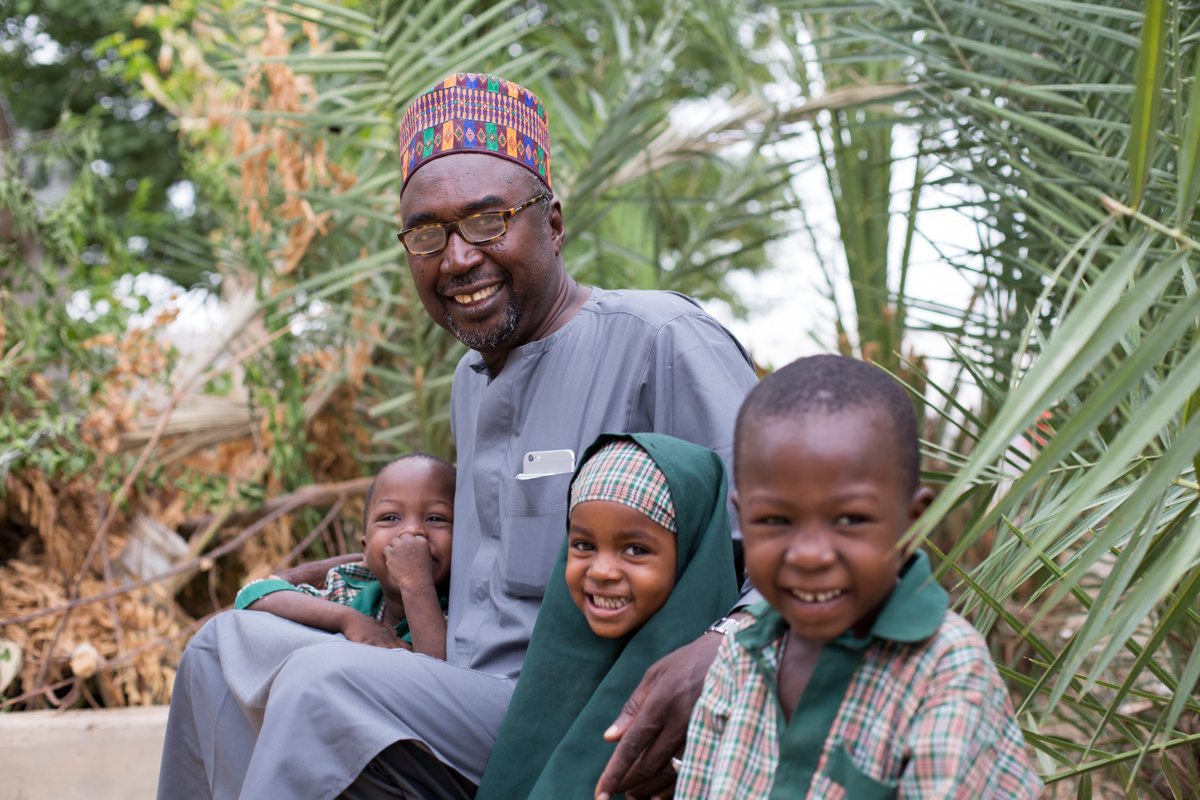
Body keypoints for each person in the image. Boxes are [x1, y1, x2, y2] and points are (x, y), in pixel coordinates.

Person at [157, 72, 759, 800]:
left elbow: (781, 536)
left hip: (568, 710)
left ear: (554, 225)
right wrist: (366, 575)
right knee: (220, 646)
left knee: (322, 683)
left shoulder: (660, 338)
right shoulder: (469, 381)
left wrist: (723, 648)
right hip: (454, 685)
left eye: (488, 221)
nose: (458, 258)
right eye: (427, 233)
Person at [674, 355, 1043, 799]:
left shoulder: (944, 668)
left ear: (913, 524)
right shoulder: (742, 652)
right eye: (774, 520)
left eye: (849, 519)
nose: (809, 555)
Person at [477, 433, 739, 800]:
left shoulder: (729, 694)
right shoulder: (551, 675)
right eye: (584, 545)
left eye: (636, 550)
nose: (601, 571)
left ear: (691, 555)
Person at [233, 454, 455, 658]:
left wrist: (415, 585)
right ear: (365, 549)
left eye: (436, 518)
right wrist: (347, 619)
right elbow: (253, 595)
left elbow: (440, 674)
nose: (412, 531)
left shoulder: (459, 615)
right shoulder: (349, 591)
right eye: (390, 518)